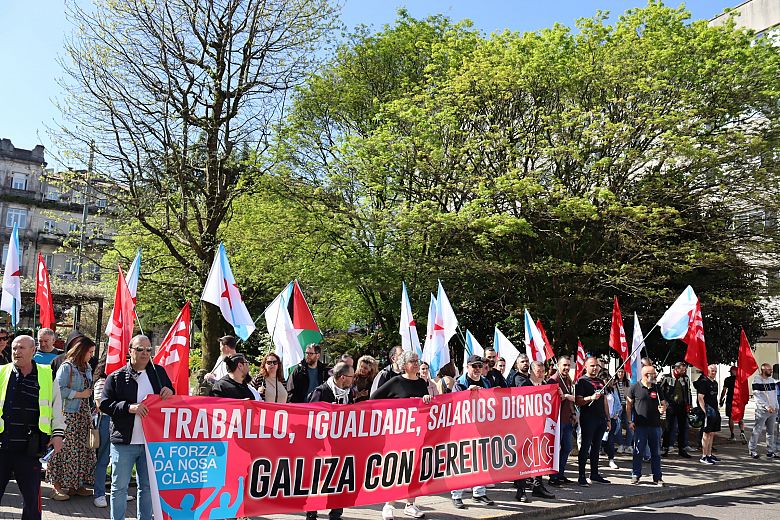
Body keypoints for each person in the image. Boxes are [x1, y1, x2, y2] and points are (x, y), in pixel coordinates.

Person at [100, 335, 174, 520]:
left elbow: (171, 396)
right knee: (119, 488)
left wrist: (170, 391)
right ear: (130, 351)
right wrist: (129, 407)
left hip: (151, 443)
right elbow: (104, 404)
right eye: (140, 349)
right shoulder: (116, 377)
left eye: (149, 350)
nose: (145, 353)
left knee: (147, 487)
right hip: (124, 442)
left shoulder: (158, 373)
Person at [0, 335, 65, 520]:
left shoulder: (46, 374)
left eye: (21, 348)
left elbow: (56, 408)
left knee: (32, 501)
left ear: (33, 351)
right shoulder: (2, 372)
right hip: (2, 446)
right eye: (14, 348)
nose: (16, 352)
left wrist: (58, 434)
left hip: (30, 450)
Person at [371, 350, 432, 520]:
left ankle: (410, 504)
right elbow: (375, 398)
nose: (416, 364)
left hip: (417, 433)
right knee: (395, 468)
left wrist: (426, 399)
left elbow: (425, 406)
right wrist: (398, 406)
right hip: (397, 433)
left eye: (417, 360)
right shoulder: (396, 381)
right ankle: (389, 504)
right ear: (404, 365)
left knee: (414, 469)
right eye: (412, 361)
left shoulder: (421, 382)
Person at [48, 334, 97, 501]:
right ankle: (57, 487)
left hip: (82, 414)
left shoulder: (86, 367)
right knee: (63, 450)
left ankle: (76, 485)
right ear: (81, 351)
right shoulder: (66, 367)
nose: (92, 355)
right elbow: (58, 390)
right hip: (68, 414)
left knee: (81, 450)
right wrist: (79, 394)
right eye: (90, 352)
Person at [305, 362, 354, 519]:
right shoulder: (321, 392)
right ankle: (312, 512)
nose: (353, 379)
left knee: (340, 478)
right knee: (317, 479)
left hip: (341, 445)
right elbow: (310, 417)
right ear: (343, 377)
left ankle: (336, 513)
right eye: (351, 376)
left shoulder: (348, 393)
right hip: (321, 446)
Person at [449, 355, 495, 509]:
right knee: (461, 463)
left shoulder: (486, 382)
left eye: (479, 366)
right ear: (467, 367)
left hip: (482, 428)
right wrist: (467, 393)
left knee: (482, 462)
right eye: (474, 366)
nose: (477, 369)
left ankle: (479, 493)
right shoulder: (460, 383)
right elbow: (455, 404)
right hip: (463, 430)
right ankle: (456, 495)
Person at [93, 360, 133, 508]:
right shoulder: (102, 382)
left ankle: (119, 491)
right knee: (103, 459)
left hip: (121, 420)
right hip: (106, 421)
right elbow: (100, 405)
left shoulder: (121, 380)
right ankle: (99, 494)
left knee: (120, 459)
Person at [516, 361, 556, 500]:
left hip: (541, 427)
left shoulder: (546, 386)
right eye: (538, 371)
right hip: (526, 428)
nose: (541, 374)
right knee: (524, 459)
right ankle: (521, 490)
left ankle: (538, 486)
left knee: (539, 457)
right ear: (531, 371)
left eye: (543, 371)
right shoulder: (524, 385)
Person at [627, 365, 667, 486]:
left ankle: (657, 477)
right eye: (653, 374)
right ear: (646, 375)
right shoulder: (634, 388)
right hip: (640, 426)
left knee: (656, 453)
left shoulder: (657, 388)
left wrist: (663, 408)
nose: (655, 376)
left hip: (655, 425)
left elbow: (663, 403)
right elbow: (628, 406)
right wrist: (630, 421)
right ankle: (636, 474)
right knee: (638, 451)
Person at [575, 356, 611, 486]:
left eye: (596, 366)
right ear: (586, 367)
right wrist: (590, 397)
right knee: (585, 447)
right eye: (592, 366)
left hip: (601, 419)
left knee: (597, 447)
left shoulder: (601, 381)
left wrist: (608, 418)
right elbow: (578, 401)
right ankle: (581, 476)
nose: (595, 368)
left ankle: (594, 474)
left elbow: (604, 401)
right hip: (588, 419)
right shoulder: (581, 381)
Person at [549, 356, 576, 487]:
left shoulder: (568, 379)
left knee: (567, 447)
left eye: (568, 365)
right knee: (555, 449)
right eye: (564, 365)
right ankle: (553, 477)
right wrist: (564, 397)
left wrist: (573, 413)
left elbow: (571, 399)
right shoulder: (553, 380)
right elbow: (550, 400)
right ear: (558, 365)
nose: (566, 368)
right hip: (557, 420)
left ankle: (560, 473)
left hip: (567, 419)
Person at [660, 362, 692, 458]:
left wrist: (689, 404)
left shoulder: (685, 378)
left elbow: (688, 391)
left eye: (684, 369)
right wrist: (664, 402)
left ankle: (682, 449)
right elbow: (660, 390)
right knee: (668, 427)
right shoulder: (666, 378)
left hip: (682, 405)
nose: (684, 371)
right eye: (682, 369)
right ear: (676, 369)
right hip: (670, 406)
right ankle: (665, 448)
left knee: (682, 428)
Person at [748, 363, 778, 459]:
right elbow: (757, 397)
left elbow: (774, 395)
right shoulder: (757, 380)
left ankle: (770, 451)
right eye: (769, 370)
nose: (771, 371)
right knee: (757, 430)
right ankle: (752, 450)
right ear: (764, 370)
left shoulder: (771, 380)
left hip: (773, 410)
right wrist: (766, 406)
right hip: (762, 411)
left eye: (771, 369)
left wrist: (776, 406)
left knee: (771, 432)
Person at [695, 364, 721, 464]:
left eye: (715, 371)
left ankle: (709, 454)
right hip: (708, 410)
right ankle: (704, 456)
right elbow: (700, 398)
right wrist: (704, 411)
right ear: (707, 371)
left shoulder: (715, 383)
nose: (714, 373)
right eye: (712, 371)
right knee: (706, 433)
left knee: (712, 433)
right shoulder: (704, 382)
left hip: (714, 410)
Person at [720, 366, 746, 443]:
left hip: (730, 400)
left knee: (731, 418)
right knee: (740, 417)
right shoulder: (741, 379)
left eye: (731, 371)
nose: (730, 373)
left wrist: (721, 399)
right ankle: (742, 431)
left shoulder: (728, 379)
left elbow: (724, 390)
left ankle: (732, 435)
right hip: (739, 400)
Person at [603, 373, 622, 470]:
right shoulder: (599, 391)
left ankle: (611, 459)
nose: (609, 382)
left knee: (610, 440)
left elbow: (618, 404)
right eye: (607, 380)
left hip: (611, 419)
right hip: (601, 419)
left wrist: (616, 414)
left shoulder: (613, 391)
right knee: (601, 441)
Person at [613, 367, 633, 454]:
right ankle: (620, 444)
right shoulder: (614, 382)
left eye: (622, 372)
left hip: (627, 406)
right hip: (618, 407)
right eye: (619, 372)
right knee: (618, 426)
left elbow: (630, 394)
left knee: (630, 426)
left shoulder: (628, 382)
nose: (620, 374)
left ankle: (628, 445)